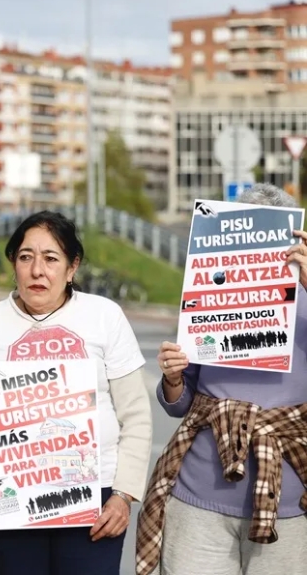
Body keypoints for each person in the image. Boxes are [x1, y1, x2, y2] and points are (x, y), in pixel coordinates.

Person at [0, 210, 152, 575]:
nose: (37, 270)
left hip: (95, 496)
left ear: (72, 267)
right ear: (12, 263)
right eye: (26, 257)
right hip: (9, 498)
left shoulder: (104, 316)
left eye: (51, 259)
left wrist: (123, 495)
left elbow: (136, 415)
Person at [136, 183, 307, 575]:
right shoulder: (209, 291)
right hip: (199, 497)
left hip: (288, 504)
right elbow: (181, 401)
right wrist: (173, 379)